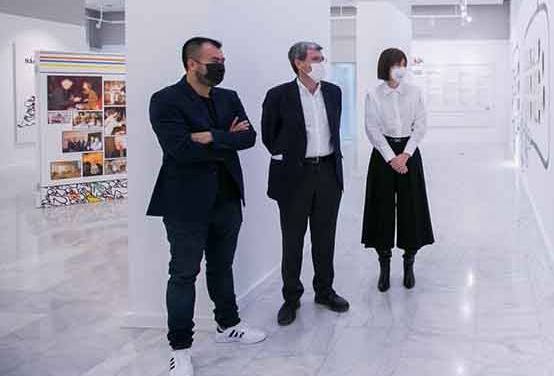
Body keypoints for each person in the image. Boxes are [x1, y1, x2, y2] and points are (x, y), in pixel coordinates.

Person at [148, 37, 266, 376]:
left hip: (227, 197)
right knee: (184, 274)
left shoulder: (228, 97)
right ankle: (180, 348)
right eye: (214, 59)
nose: (221, 65)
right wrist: (224, 138)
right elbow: (179, 149)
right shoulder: (165, 100)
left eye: (223, 59)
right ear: (192, 64)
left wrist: (211, 136)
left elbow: (248, 138)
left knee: (222, 266)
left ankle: (228, 326)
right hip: (185, 203)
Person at [261, 41, 349, 327]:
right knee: (293, 240)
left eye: (322, 57)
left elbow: (335, 130)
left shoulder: (334, 92)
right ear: (299, 63)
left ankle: (324, 291)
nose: (322, 62)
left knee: (325, 238)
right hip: (294, 176)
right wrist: (289, 157)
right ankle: (291, 297)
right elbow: (269, 136)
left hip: (327, 172)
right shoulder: (278, 95)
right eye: (316, 57)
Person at [362, 48, 434, 292]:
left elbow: (421, 125)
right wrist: (391, 158)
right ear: (386, 66)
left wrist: (405, 154)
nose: (401, 68)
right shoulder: (373, 94)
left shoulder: (415, 93)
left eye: (404, 64)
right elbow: (371, 128)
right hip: (383, 155)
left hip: (409, 154)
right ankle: (384, 267)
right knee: (381, 209)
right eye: (397, 64)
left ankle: (409, 262)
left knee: (411, 208)